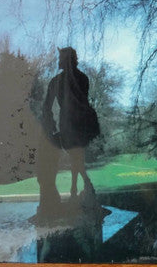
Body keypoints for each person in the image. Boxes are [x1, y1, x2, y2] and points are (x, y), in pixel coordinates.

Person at [40, 47, 100, 201]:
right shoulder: (82, 78)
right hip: (81, 123)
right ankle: (81, 187)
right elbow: (48, 107)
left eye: (60, 58)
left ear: (66, 60)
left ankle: (79, 187)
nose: (58, 61)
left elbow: (47, 107)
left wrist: (51, 125)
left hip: (71, 124)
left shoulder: (58, 81)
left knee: (76, 155)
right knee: (77, 156)